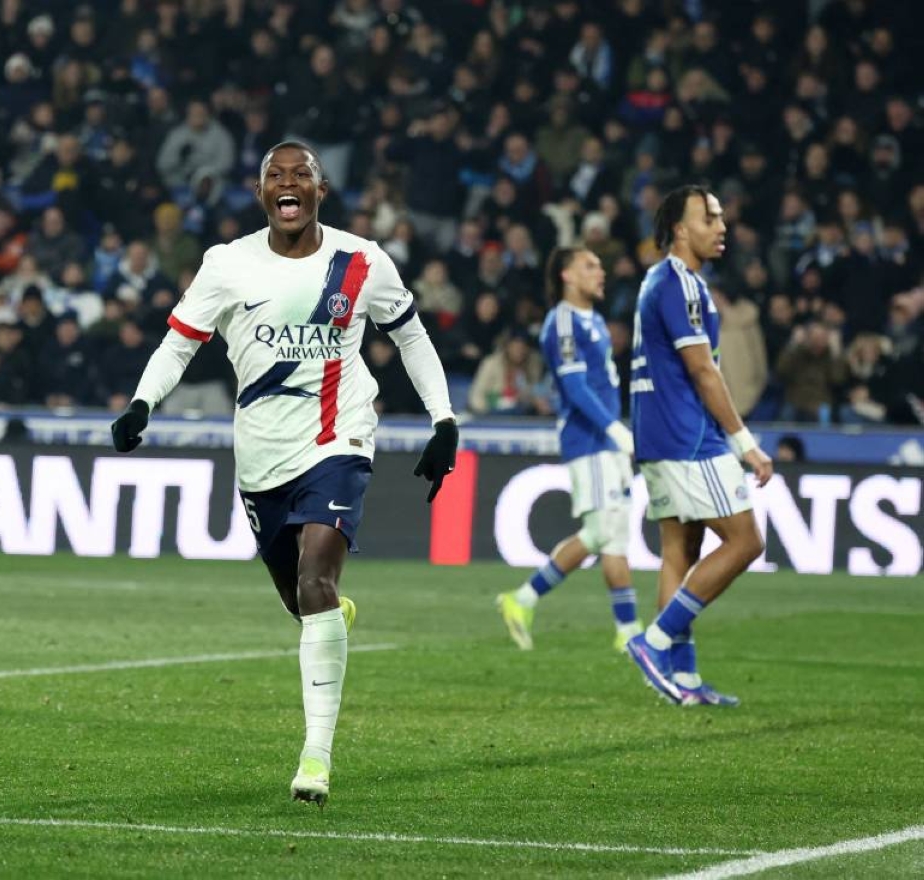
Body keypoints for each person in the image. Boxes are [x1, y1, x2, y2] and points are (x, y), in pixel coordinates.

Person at [110, 142, 457, 804]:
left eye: (301, 174)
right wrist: (141, 402)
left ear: (321, 189)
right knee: (302, 602)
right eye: (277, 175)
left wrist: (444, 418)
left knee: (316, 581)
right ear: (262, 191)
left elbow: (409, 334)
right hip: (261, 455)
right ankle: (329, 618)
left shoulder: (361, 261)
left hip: (340, 439)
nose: (289, 182)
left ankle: (315, 759)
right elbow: (180, 340)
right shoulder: (228, 265)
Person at [626, 185, 773, 707]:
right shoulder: (681, 284)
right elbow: (703, 370)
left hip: (656, 434)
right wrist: (745, 443)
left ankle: (681, 679)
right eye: (709, 217)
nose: (722, 225)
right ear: (682, 230)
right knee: (745, 541)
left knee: (680, 552)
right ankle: (654, 642)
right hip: (689, 438)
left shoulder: (657, 282)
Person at [496, 247, 642, 652]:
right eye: (590, 266)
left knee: (614, 536)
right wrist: (616, 429)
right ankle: (523, 598)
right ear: (566, 275)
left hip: (608, 441)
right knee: (598, 533)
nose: (601, 272)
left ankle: (628, 631)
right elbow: (575, 388)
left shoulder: (592, 318)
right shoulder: (560, 322)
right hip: (590, 440)